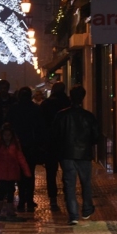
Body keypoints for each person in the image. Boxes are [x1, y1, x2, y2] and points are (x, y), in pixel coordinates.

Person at [52, 84, 98, 225]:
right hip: (84, 154)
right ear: (83, 98)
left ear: (70, 97)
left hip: (66, 154)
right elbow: (95, 137)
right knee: (86, 183)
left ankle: (73, 215)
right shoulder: (89, 117)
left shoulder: (61, 115)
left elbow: (55, 136)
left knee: (70, 184)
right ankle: (87, 209)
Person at [7, 86, 44, 212]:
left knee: (20, 174)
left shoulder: (14, 109)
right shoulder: (35, 109)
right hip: (31, 145)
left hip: (17, 145)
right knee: (30, 173)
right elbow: (40, 129)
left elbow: (9, 126)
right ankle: (28, 199)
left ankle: (22, 199)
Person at [41, 82, 72, 211]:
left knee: (51, 172)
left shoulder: (46, 104)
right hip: (65, 142)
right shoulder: (68, 103)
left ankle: (53, 199)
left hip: (50, 142)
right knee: (67, 171)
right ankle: (68, 195)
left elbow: (41, 125)